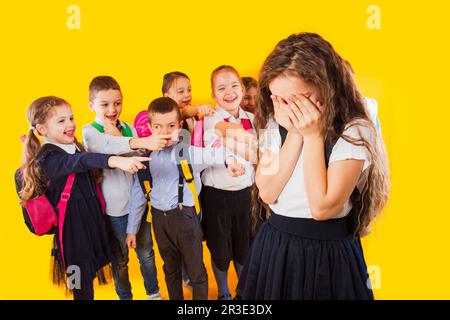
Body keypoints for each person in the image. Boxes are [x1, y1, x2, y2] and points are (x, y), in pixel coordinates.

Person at [237, 32, 390, 299]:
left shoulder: (356, 129)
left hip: (326, 252)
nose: (288, 107)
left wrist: (313, 135)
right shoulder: (275, 119)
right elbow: (267, 193)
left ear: (326, 86)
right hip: (275, 244)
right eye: (279, 98)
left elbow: (322, 207)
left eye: (299, 99)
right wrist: (296, 133)